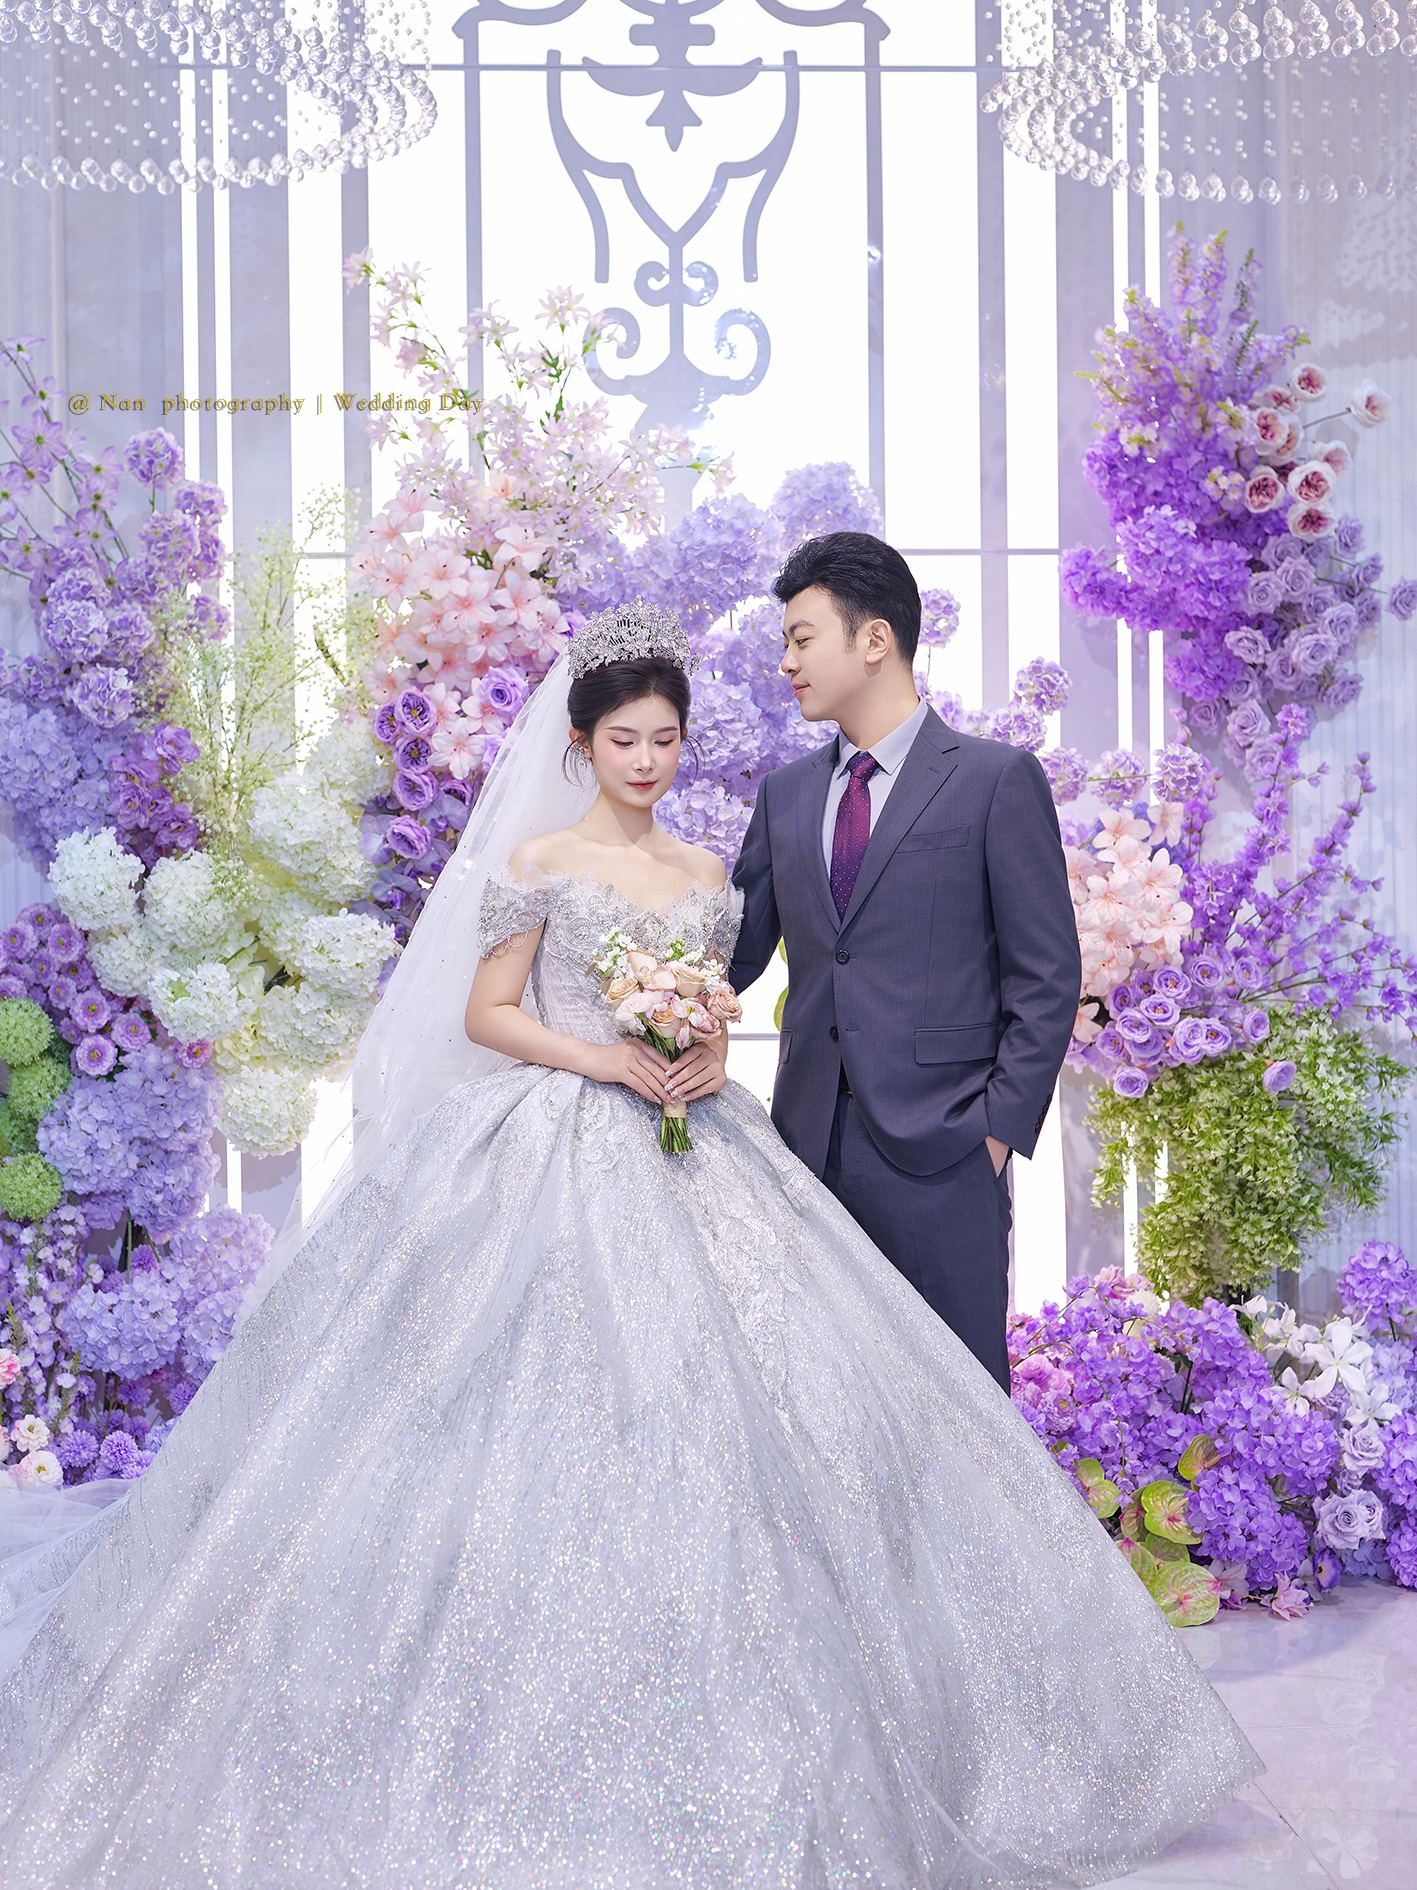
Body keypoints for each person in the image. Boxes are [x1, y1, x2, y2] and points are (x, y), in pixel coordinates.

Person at [0, 605, 1255, 1887]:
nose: (646, 761)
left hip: (699, 1141)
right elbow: (489, 1013)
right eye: (624, 741)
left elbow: (718, 1003)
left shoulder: (710, 875)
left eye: (664, 740)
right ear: (583, 744)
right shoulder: (538, 860)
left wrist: (702, 1052)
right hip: (548, 1139)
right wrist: (601, 1056)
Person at [730, 534, 1081, 1389]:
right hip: (806, 1154)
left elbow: (1046, 978)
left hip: (946, 1153)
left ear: (874, 639)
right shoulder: (784, 794)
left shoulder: (994, 779)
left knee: (959, 1410)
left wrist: (992, 1135)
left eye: (801, 639)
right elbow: (731, 956)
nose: (786, 663)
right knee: (820, 1404)